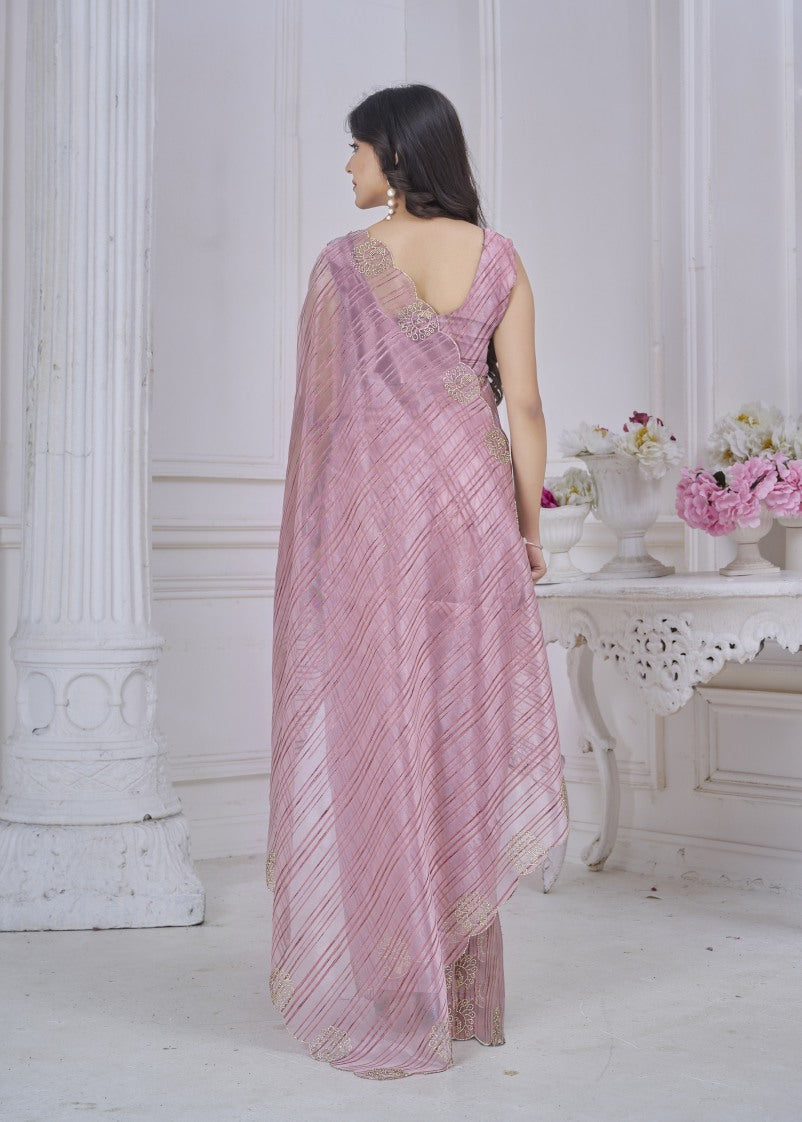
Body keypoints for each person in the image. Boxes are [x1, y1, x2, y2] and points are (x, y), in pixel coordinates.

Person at [266, 84, 568, 1080]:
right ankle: (459, 985)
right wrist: (527, 532)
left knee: (381, 731)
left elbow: (326, 423)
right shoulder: (498, 256)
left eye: (356, 149)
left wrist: (318, 544)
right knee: (460, 733)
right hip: (472, 517)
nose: (348, 167)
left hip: (377, 522)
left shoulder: (345, 267)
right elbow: (525, 409)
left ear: (395, 156)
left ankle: (400, 981)